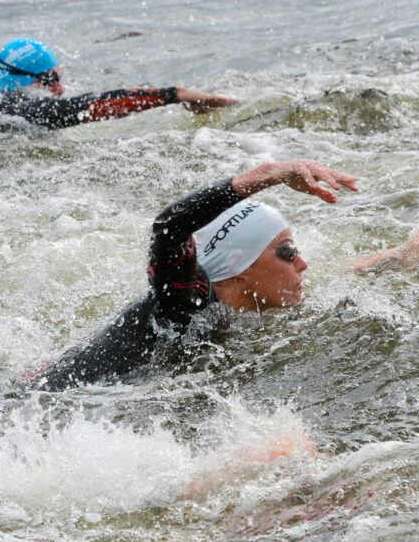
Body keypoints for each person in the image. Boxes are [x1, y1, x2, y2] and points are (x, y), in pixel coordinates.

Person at [24, 160, 359, 392]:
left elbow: (336, 274)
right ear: (239, 269)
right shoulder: (186, 302)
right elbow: (169, 228)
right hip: (47, 397)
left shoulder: (243, 300)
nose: (303, 264)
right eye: (286, 252)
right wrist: (267, 174)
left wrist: (401, 257)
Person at [0, 36, 238, 145]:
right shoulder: (12, 106)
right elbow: (86, 107)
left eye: (59, 77)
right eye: (48, 81)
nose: (59, 89)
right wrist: (173, 95)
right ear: (21, 82)